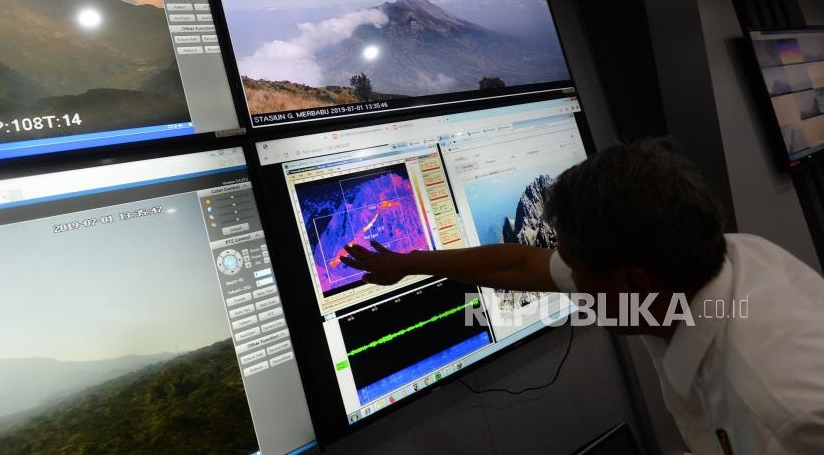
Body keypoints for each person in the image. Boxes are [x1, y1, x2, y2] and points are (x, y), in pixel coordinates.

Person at [341, 138, 824, 455]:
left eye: (573, 267)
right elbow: (518, 263)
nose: (564, 277)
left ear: (631, 284)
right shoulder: (718, 257)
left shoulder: (778, 417)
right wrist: (408, 263)